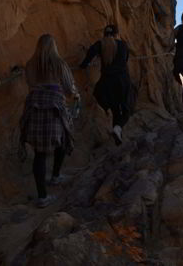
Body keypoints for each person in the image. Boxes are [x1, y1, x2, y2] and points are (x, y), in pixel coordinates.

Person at [19, 34, 79, 208]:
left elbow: (30, 83)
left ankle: (42, 196)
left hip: (35, 106)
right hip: (54, 106)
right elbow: (68, 87)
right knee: (62, 140)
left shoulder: (30, 64)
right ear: (54, 46)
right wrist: (75, 95)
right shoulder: (59, 63)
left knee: (39, 153)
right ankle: (56, 176)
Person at [80, 24, 131, 145]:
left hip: (107, 83)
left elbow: (91, 53)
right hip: (122, 82)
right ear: (116, 34)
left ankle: (117, 137)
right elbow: (126, 59)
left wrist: (83, 65)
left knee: (115, 111)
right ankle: (118, 128)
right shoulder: (123, 45)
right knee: (127, 109)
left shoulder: (101, 44)